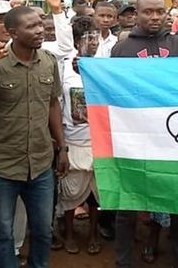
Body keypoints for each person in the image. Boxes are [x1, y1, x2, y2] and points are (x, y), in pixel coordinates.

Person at [110, 0, 178, 268]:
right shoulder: (122, 50)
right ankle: (123, 262)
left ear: (167, 13)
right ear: (135, 15)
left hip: (177, 141)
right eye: (147, 12)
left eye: (159, 11)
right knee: (127, 207)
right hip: (135, 141)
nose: (154, 17)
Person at [0, 6, 70, 268]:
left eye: (40, 23)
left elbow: (53, 105)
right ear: (13, 33)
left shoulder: (49, 62)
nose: (40, 30)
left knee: (42, 231)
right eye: (31, 26)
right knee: (3, 233)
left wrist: (62, 148)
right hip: (3, 166)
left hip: (41, 165)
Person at [58, 15, 102, 255]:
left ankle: (94, 233)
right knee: (69, 191)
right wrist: (61, 143)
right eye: (87, 38)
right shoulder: (63, 66)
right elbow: (56, 103)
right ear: (75, 41)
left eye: (95, 38)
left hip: (98, 138)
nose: (93, 43)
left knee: (96, 192)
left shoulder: (104, 64)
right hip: (72, 138)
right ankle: (69, 232)